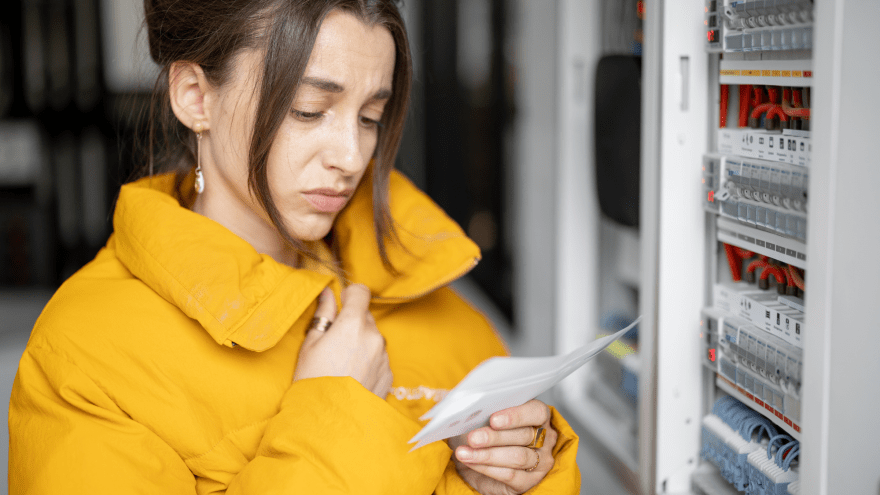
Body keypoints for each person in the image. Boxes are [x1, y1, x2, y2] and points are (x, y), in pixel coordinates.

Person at [9, 1, 580, 493]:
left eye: (370, 116)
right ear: (194, 96)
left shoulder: (427, 290)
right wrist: (334, 414)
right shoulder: (86, 357)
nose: (353, 157)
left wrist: (499, 476)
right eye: (309, 110)